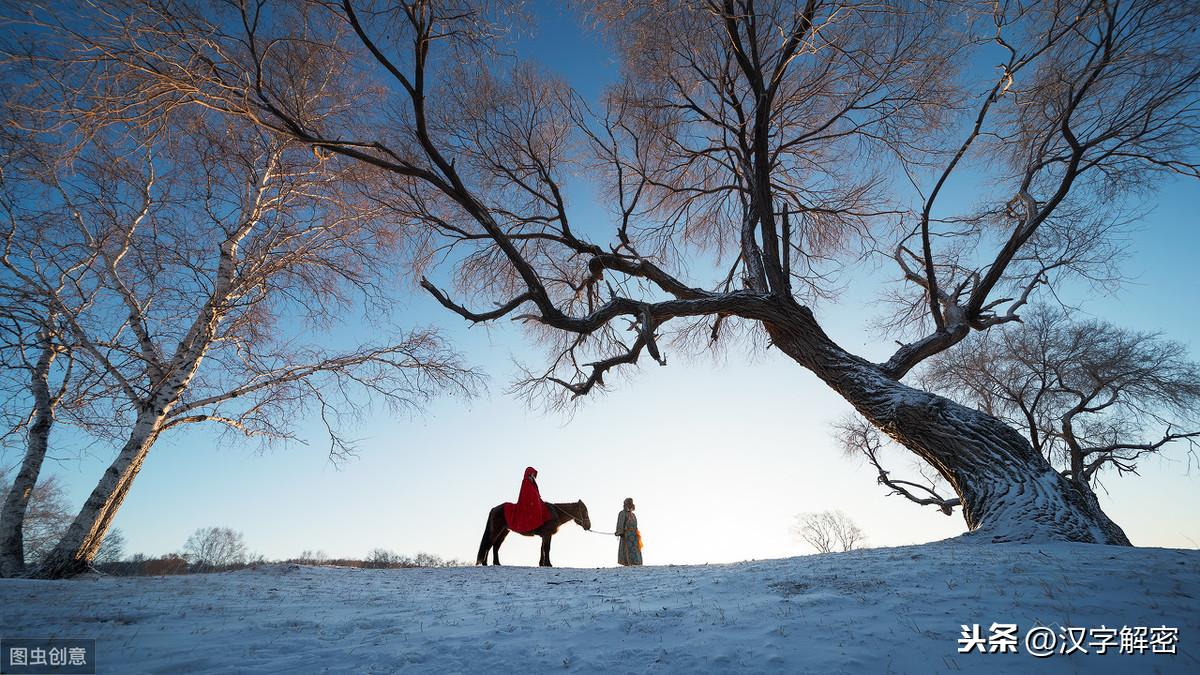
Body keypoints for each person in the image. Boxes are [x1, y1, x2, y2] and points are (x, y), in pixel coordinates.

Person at [505, 466, 551, 533]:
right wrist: (535, 498)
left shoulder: (532, 480)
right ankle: (534, 527)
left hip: (534, 500)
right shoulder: (526, 481)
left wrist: (537, 498)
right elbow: (528, 491)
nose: (533, 475)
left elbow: (534, 491)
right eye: (532, 473)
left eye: (534, 473)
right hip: (529, 501)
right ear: (529, 473)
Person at [615, 497, 642, 566]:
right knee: (626, 549)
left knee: (636, 549)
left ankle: (637, 563)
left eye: (631, 503)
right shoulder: (622, 513)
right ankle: (627, 563)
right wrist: (620, 532)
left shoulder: (633, 515)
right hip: (626, 535)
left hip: (634, 535)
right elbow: (620, 523)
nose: (630, 505)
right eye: (628, 503)